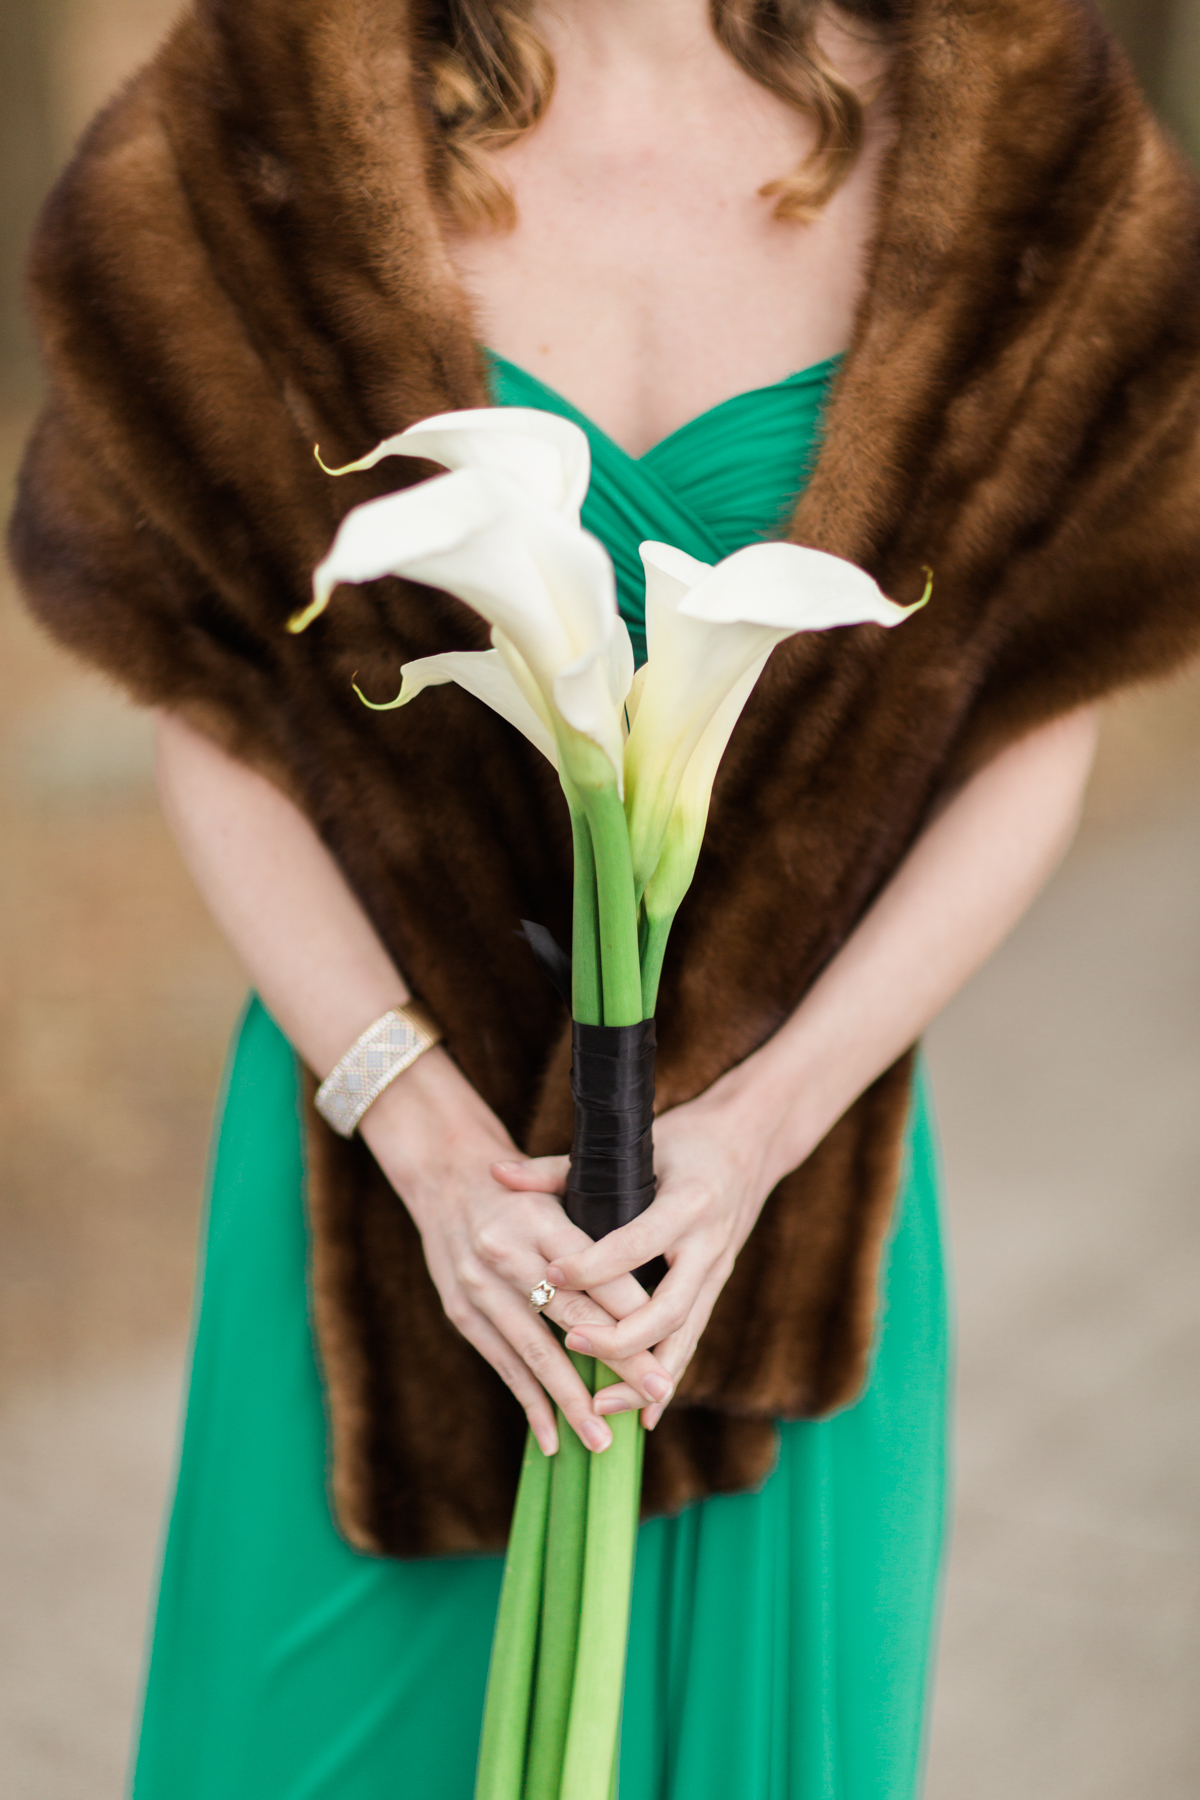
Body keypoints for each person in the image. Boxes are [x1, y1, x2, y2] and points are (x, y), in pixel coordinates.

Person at [10, 2, 1200, 1796]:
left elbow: (1037, 720)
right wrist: (413, 1130)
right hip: (386, 1190)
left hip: (779, 1223)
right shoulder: (258, 130)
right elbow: (214, 703)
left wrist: (756, 1137)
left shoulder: (1021, 143)